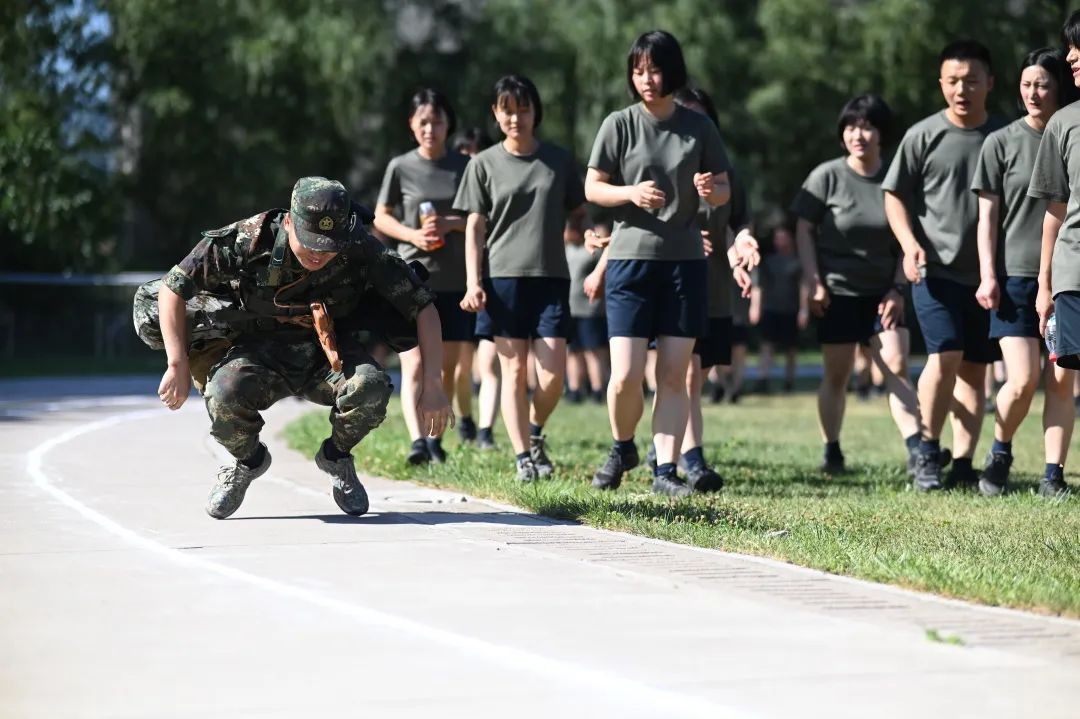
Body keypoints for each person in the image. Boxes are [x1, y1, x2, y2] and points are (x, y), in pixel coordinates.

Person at [152, 177, 453, 518]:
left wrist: (433, 384)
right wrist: (176, 363)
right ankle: (248, 462)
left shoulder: (359, 246)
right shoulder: (249, 239)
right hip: (258, 352)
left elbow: (424, 308)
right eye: (311, 243)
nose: (319, 254)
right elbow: (173, 287)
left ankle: (337, 458)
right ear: (290, 221)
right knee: (223, 394)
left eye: (329, 245)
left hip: (329, 354)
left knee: (370, 388)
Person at [585, 30, 746, 496]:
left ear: (672, 72)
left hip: (684, 265)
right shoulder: (619, 124)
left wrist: (709, 191)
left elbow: (725, 189)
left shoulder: (700, 128)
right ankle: (622, 445)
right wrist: (630, 193)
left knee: (674, 375)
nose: (646, 79)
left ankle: (666, 472)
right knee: (624, 377)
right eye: (638, 71)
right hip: (631, 262)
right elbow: (594, 187)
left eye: (654, 70)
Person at [883, 39, 1007, 491]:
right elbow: (893, 195)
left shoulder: (1004, 136)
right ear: (941, 83)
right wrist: (909, 243)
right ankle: (928, 450)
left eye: (972, 81)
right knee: (945, 354)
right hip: (934, 270)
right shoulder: (923, 135)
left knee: (975, 368)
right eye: (953, 81)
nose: (962, 89)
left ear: (989, 83)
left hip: (988, 276)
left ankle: (963, 460)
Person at [455, 74, 589, 481]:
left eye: (524, 109)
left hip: (551, 278)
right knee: (513, 372)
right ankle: (521, 457)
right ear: (496, 115)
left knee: (553, 377)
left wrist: (591, 233)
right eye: (507, 111)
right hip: (502, 280)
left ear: (536, 112)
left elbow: (579, 210)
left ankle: (534, 432)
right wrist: (473, 281)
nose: (516, 118)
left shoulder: (559, 160)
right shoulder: (482, 164)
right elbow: (475, 227)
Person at [791, 94, 922, 475]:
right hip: (837, 292)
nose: (857, 134)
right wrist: (813, 280)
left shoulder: (895, 179)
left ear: (881, 133)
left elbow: (907, 238)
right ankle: (832, 449)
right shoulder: (825, 176)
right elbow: (803, 228)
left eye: (866, 126)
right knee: (838, 373)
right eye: (850, 127)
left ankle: (918, 451)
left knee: (896, 364)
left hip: (884, 292)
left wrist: (899, 287)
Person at [973, 48, 1077, 496]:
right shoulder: (999, 142)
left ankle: (1052, 474)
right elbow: (986, 218)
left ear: (1060, 88)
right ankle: (1000, 449)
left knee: (1060, 379)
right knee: (1023, 379)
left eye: (1043, 85)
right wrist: (987, 274)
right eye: (1026, 84)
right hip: (1015, 276)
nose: (1033, 93)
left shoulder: (1071, 129)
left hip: (1066, 272)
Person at [374, 88, 472, 465]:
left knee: (444, 366)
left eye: (438, 122)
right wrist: (413, 235)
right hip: (413, 279)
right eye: (423, 122)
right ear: (412, 125)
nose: (431, 129)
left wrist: (451, 223)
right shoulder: (401, 166)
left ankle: (435, 438)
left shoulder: (465, 167)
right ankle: (418, 441)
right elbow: (381, 217)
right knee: (414, 362)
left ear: (449, 125)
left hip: (456, 280)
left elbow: (483, 218)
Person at [1027, 11, 1080, 498]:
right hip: (1073, 273)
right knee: (1064, 371)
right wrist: (1044, 284)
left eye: (1078, 47)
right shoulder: (1063, 123)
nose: (1070, 57)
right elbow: (1054, 212)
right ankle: (1052, 474)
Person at [750, 222, 806, 394]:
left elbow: (803, 287)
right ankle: (763, 379)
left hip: (791, 310)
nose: (779, 241)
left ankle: (789, 381)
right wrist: (755, 307)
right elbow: (759, 285)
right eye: (777, 238)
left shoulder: (799, 261)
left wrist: (804, 310)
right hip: (770, 309)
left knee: (791, 349)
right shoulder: (768, 261)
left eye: (783, 237)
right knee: (767, 345)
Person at [567, 221, 610, 404]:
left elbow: (605, 252)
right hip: (570, 308)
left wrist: (597, 235)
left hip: (591, 310)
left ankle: (598, 389)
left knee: (594, 352)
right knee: (573, 351)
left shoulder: (592, 251)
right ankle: (574, 389)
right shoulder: (566, 249)